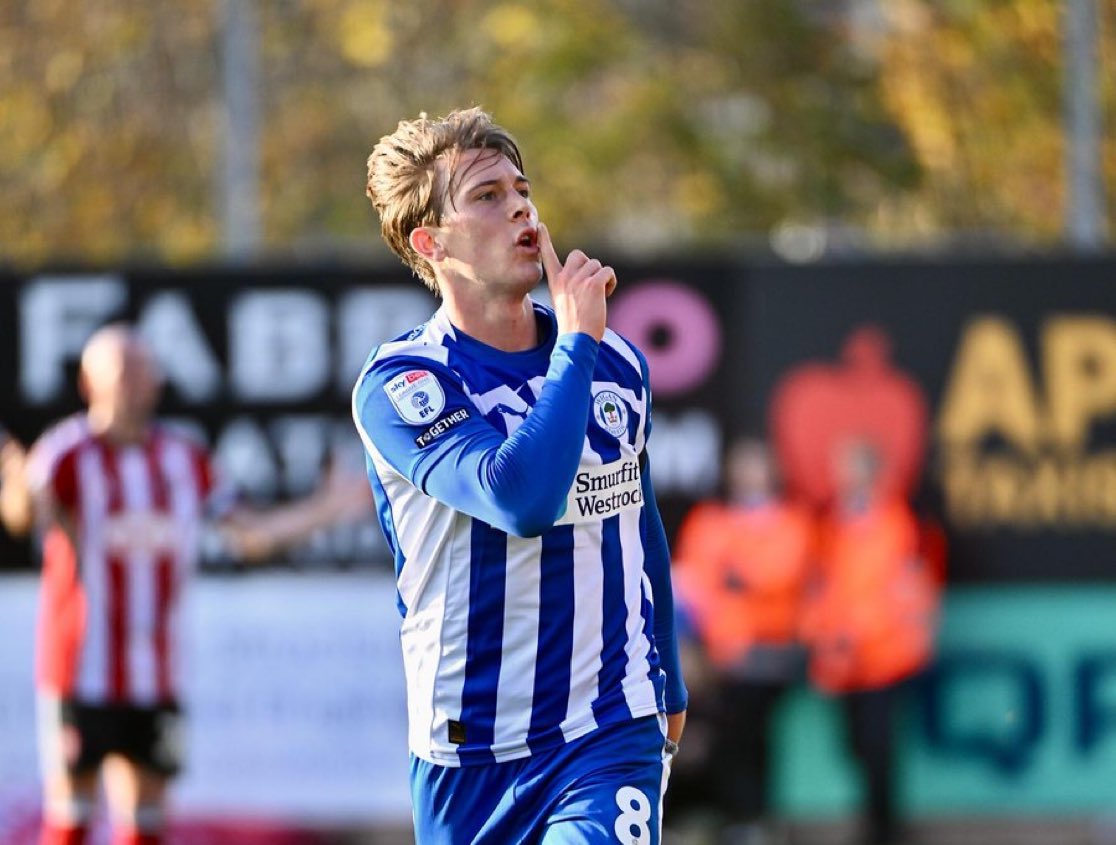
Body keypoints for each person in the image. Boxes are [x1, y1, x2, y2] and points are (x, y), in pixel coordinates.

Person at [352, 107, 687, 844]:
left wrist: (669, 674)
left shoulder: (615, 362)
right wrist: (574, 347)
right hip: (467, 751)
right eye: (486, 197)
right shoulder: (405, 382)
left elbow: (639, 522)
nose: (520, 208)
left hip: (606, 729)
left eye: (521, 188)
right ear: (431, 243)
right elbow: (521, 497)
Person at [0, 324, 368, 845]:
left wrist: (325, 509)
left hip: (157, 673)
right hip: (79, 671)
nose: (135, 382)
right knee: (72, 815)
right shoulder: (67, 453)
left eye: (143, 370)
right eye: (122, 371)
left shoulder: (184, 459)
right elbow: (24, 516)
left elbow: (249, 535)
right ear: (90, 383)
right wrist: (14, 491)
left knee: (146, 819)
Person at [671, 438, 814, 845]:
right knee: (688, 730)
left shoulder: (792, 521)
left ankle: (751, 817)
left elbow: (777, 577)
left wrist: (735, 575)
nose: (749, 473)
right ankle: (705, 818)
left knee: (745, 729)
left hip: (768, 657)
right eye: (742, 463)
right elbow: (691, 585)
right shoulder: (710, 520)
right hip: (710, 660)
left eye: (757, 463)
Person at [800, 438, 941, 845]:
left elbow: (903, 589)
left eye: (849, 467)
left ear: (871, 472)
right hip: (844, 661)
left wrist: (866, 635)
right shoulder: (831, 525)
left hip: (884, 657)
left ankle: (883, 829)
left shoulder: (901, 522)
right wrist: (822, 642)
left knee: (879, 746)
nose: (842, 477)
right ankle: (877, 821)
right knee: (856, 746)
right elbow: (822, 589)